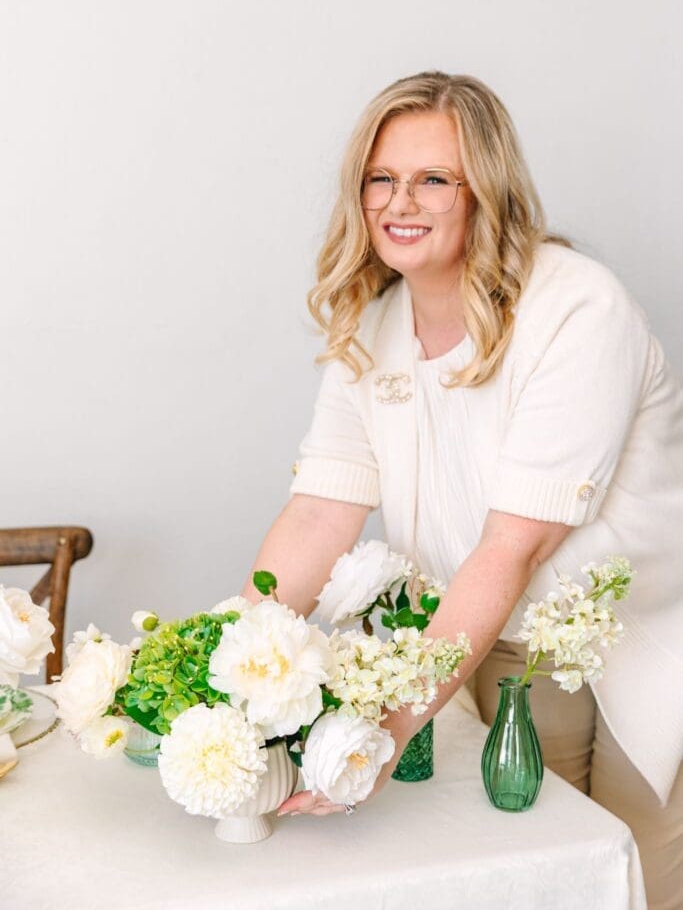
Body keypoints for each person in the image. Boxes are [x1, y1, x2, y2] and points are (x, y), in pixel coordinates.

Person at [241, 72, 682, 908]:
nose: (399, 201)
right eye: (381, 178)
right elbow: (318, 511)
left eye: (434, 178)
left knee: (631, 877)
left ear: (487, 190)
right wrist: (234, 667)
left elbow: (513, 544)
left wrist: (380, 734)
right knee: (526, 869)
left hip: (640, 640)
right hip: (491, 639)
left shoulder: (578, 309)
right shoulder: (370, 322)